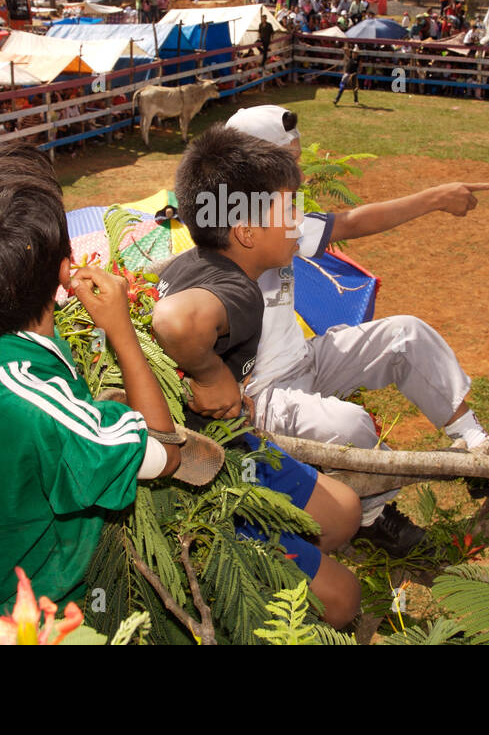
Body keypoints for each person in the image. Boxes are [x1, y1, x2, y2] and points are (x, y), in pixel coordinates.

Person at [0, 144, 223, 633]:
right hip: (41, 613)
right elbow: (167, 453)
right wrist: (120, 330)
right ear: (64, 266)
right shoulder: (37, 404)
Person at [224, 105, 489, 552]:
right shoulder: (229, 230)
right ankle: (372, 519)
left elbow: (353, 223)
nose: (298, 170)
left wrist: (436, 198)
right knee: (353, 426)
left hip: (304, 359)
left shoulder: (276, 210)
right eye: (290, 159)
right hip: (263, 393)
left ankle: (480, 447)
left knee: (407, 334)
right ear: (252, 163)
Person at [150, 127, 361, 628]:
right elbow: (174, 323)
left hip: (234, 443)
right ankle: (241, 592)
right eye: (290, 210)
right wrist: (211, 372)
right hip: (206, 480)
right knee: (345, 598)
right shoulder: (238, 293)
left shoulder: (193, 263)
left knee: (345, 511)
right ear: (245, 231)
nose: (299, 221)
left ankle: (279, 564)